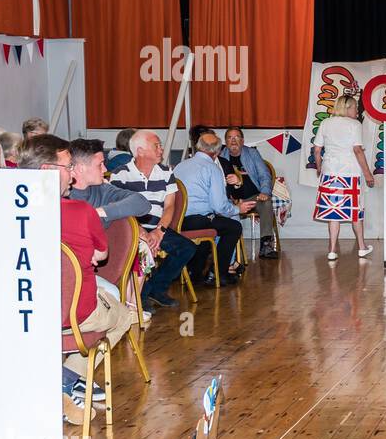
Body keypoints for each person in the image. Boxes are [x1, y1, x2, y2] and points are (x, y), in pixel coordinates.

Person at [18, 135, 135, 422]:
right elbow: (100, 256)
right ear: (47, 171)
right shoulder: (82, 211)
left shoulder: (8, 214)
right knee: (124, 315)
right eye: (68, 166)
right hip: (72, 315)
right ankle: (70, 381)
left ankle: (62, 383)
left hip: (22, 317)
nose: (72, 174)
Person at [110, 130, 198, 311]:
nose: (161, 150)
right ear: (140, 150)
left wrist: (159, 231)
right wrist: (142, 233)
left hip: (158, 227)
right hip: (133, 229)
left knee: (187, 248)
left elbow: (169, 207)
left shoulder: (166, 172)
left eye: (160, 146)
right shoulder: (121, 174)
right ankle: (137, 297)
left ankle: (153, 289)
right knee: (141, 251)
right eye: (156, 146)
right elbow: (121, 210)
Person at [175, 131, 255, 284]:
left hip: (178, 220)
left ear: (198, 147)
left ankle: (196, 272)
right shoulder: (212, 168)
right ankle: (218, 273)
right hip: (198, 220)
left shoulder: (180, 165)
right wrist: (238, 209)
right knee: (233, 227)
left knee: (212, 226)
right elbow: (219, 207)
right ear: (217, 152)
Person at [312, 94, 375, 261]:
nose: (357, 110)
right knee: (355, 212)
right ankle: (361, 247)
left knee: (333, 214)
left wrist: (319, 167)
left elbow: (317, 150)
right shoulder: (355, 125)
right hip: (350, 173)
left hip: (330, 173)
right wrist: (368, 174)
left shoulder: (325, 123)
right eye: (355, 107)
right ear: (347, 108)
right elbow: (357, 150)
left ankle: (332, 250)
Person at [220, 127, 278, 259]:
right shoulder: (220, 156)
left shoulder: (252, 153)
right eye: (229, 137)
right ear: (226, 141)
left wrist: (265, 192)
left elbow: (264, 175)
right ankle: (226, 248)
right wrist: (231, 200)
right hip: (230, 200)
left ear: (242, 140)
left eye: (236, 137)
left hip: (253, 198)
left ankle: (266, 245)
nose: (233, 140)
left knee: (266, 203)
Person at [67, 138, 151, 227]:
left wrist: (98, 212)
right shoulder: (60, 193)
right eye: (100, 165)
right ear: (81, 168)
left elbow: (142, 203)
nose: (105, 169)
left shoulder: (102, 190)